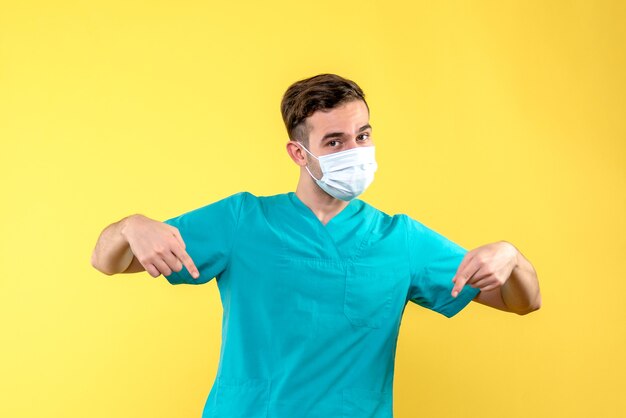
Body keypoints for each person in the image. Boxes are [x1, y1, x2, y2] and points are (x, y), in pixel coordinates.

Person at [91, 73, 541, 418]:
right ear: (298, 153)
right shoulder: (241, 222)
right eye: (335, 141)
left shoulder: (399, 240)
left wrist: (512, 257)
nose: (356, 151)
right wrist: (129, 226)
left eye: (363, 135)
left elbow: (522, 302)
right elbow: (107, 260)